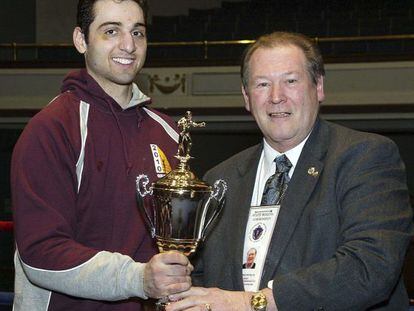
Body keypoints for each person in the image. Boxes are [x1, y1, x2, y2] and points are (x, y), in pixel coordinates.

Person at [165, 32, 414, 311]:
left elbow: (371, 267)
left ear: (318, 87)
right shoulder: (219, 180)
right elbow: (203, 278)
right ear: (247, 97)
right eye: (262, 84)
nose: (276, 97)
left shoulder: (365, 156)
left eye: (290, 81)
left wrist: (255, 303)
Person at [11, 0, 193, 310]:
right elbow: (40, 254)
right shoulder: (52, 129)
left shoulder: (169, 132)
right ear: (81, 40)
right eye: (111, 31)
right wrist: (138, 279)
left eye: (138, 32)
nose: (128, 45)